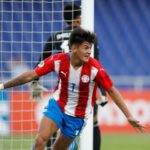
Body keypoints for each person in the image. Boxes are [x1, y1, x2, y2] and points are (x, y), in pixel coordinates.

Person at [0, 28, 145, 150]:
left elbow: (112, 90)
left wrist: (129, 116)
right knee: (40, 141)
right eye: (86, 48)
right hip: (58, 106)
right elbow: (30, 75)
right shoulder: (58, 60)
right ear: (75, 48)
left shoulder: (95, 69)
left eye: (90, 48)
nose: (89, 52)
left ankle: (72, 143)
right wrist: (3, 85)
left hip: (78, 116)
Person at [31, 3, 107, 150]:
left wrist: (34, 82)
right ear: (78, 19)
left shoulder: (55, 36)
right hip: (85, 91)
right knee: (92, 123)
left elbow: (41, 61)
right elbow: (97, 66)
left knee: (55, 122)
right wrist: (102, 92)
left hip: (64, 89)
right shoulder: (89, 39)